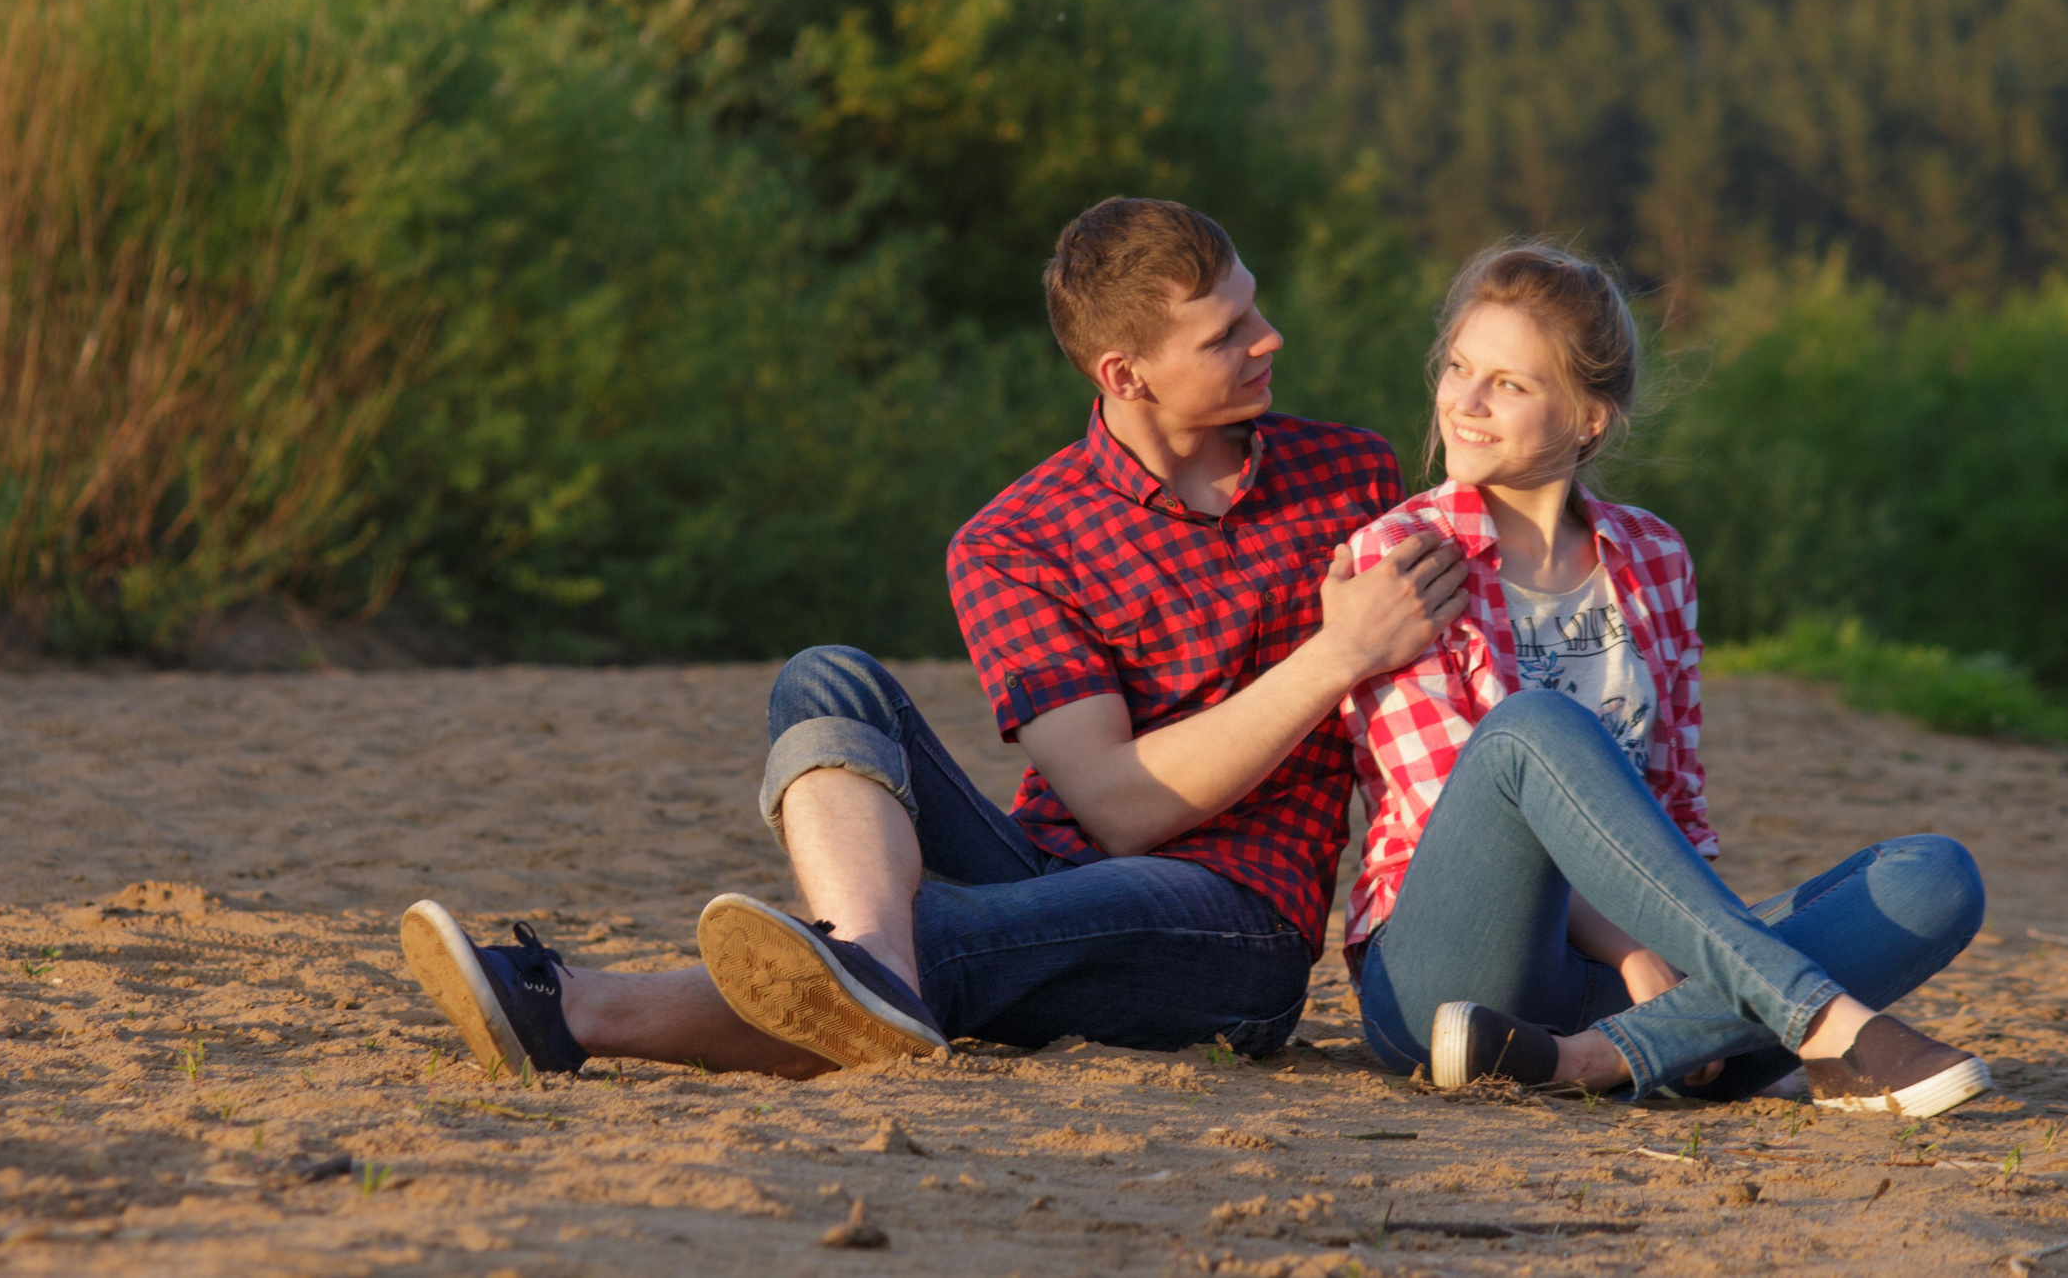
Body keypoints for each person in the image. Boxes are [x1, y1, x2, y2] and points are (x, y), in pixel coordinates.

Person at [397, 196, 1470, 1077]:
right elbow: (1119, 805)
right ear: (1122, 374)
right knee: (828, 680)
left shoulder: (1352, 477)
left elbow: (1435, 722)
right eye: (1226, 332)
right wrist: (1336, 652)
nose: (1267, 338)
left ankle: (586, 1008)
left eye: (1253, 309)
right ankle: (874, 964)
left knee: (944, 942)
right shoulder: (1012, 540)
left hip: (1235, 925)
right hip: (1051, 862)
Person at [1339, 240, 1990, 1115]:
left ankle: (1586, 1059)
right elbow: (1438, 804)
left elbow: (1676, 807)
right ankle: (1809, 1018)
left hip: (1594, 994)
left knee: (1934, 877)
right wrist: (1641, 954)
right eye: (1459, 367)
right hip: (1447, 979)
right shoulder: (1404, 553)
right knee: (1535, 726)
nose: (1464, 401)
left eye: (1510, 383)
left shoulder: (1653, 555)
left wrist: (1673, 959)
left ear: (1588, 419)